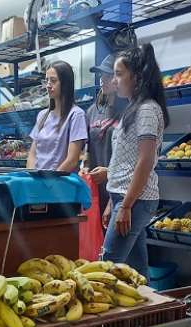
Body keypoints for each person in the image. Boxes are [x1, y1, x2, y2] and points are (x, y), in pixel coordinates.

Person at [101, 44, 170, 279]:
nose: (115, 80)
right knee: (137, 271)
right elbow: (123, 159)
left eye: (119, 74)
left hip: (136, 201)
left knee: (107, 268)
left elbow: (145, 160)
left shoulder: (148, 110)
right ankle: (149, 312)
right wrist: (114, 201)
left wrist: (126, 205)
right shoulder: (135, 108)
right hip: (127, 197)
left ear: (137, 77)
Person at [83, 54, 126, 224]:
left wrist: (109, 173)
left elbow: (132, 159)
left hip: (119, 190)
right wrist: (85, 166)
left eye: (108, 75)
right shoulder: (92, 111)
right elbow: (86, 148)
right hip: (95, 190)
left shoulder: (128, 112)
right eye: (102, 75)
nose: (103, 79)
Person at [27, 61, 88, 171]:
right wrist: (32, 178)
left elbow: (72, 160)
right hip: (39, 182)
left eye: (53, 81)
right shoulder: (42, 115)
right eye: (46, 81)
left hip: (60, 184)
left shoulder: (76, 115)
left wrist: (51, 182)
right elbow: (32, 155)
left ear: (65, 83)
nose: (48, 85)